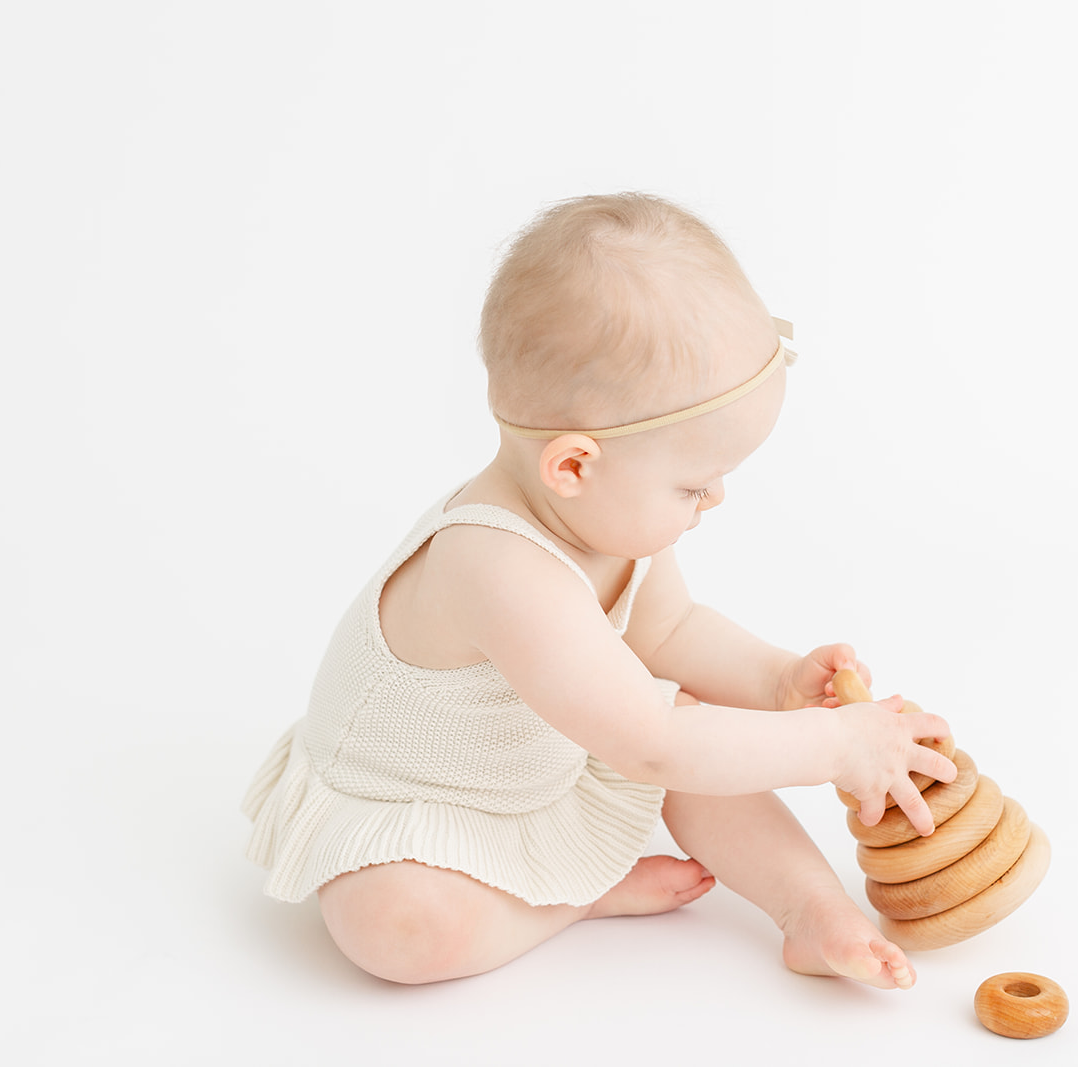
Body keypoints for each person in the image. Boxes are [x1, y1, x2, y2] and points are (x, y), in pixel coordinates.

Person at [242, 192, 955, 988]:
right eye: (693, 484)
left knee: (691, 723)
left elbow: (673, 629)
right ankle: (570, 900)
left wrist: (776, 679)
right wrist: (837, 746)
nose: (714, 500)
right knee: (399, 928)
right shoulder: (497, 565)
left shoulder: (607, 522)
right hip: (422, 805)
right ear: (574, 466)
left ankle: (812, 910)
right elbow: (651, 744)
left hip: (549, 758)